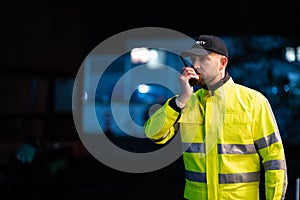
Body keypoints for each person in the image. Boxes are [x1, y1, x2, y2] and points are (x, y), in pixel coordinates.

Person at [144, 35, 288, 199]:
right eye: (193, 59)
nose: (196, 65)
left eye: (204, 59)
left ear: (222, 63)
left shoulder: (253, 102)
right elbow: (153, 134)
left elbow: (274, 160)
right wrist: (181, 99)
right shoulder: (184, 103)